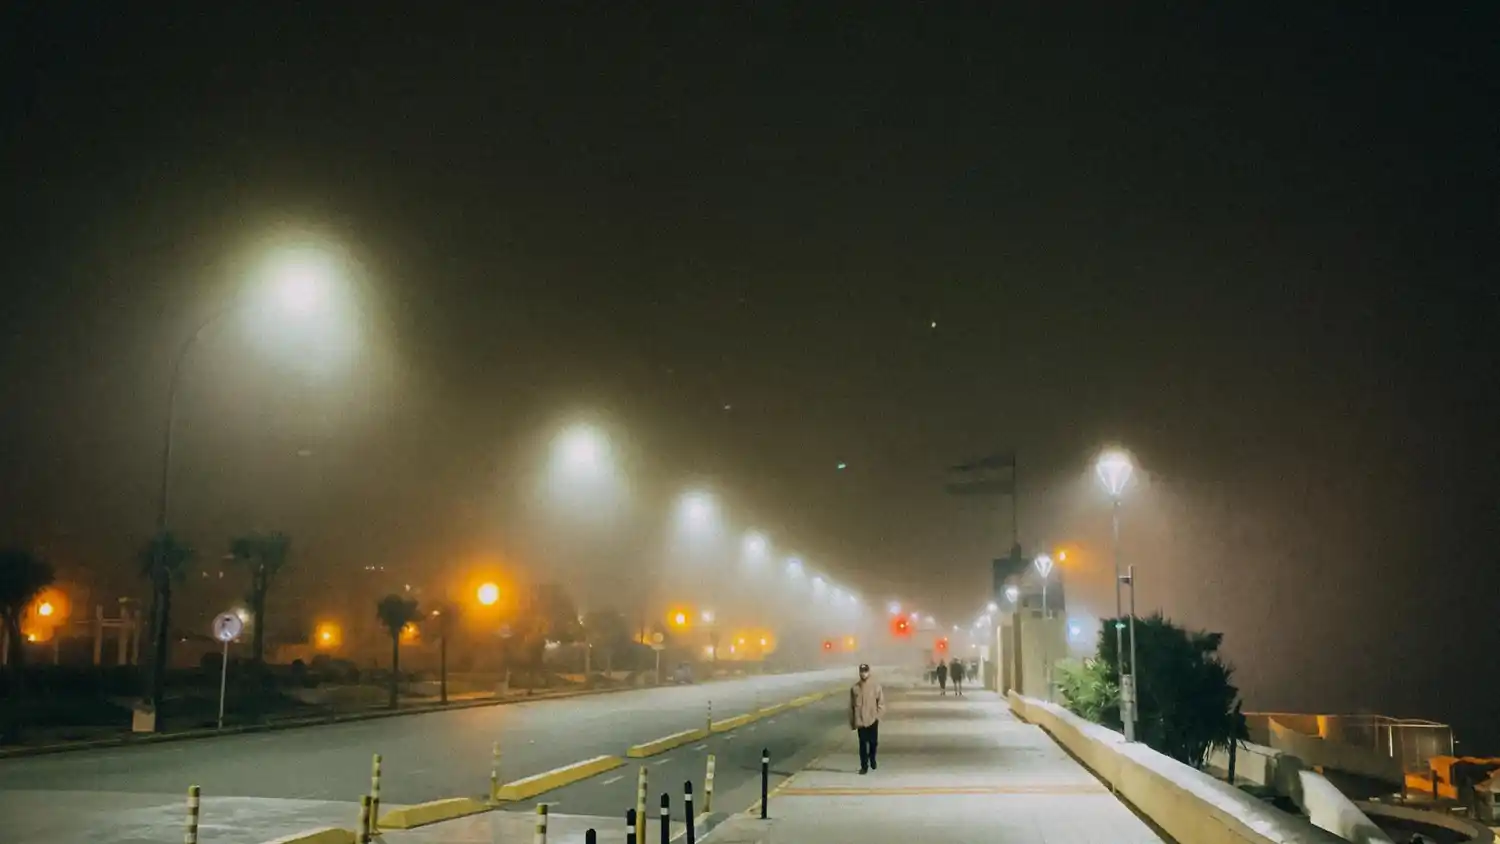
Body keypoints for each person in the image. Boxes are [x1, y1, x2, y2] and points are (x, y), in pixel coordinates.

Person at [849, 663, 886, 774]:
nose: (863, 673)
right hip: (860, 720)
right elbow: (851, 706)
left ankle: (872, 758)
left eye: (865, 671)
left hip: (872, 719)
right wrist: (853, 721)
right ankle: (864, 766)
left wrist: (878, 716)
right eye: (862, 671)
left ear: (869, 672)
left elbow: (881, 703)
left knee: (873, 742)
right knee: (862, 744)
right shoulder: (855, 689)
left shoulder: (876, 687)